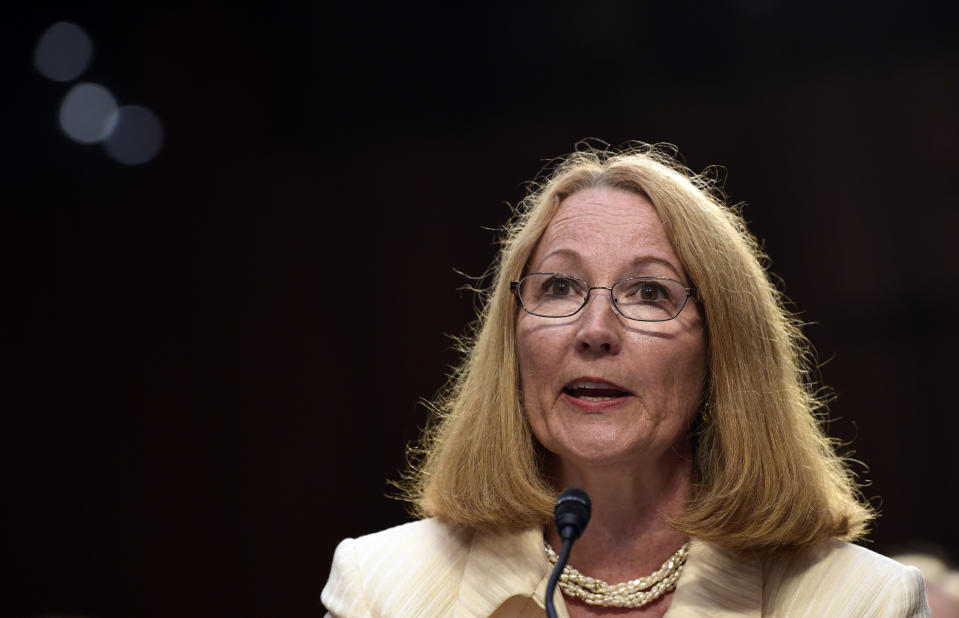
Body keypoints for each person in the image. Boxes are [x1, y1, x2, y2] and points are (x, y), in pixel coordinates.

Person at [321, 144, 930, 617]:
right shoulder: (382, 587)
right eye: (558, 287)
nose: (595, 330)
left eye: (649, 292)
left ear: (723, 349)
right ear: (512, 339)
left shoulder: (866, 601)